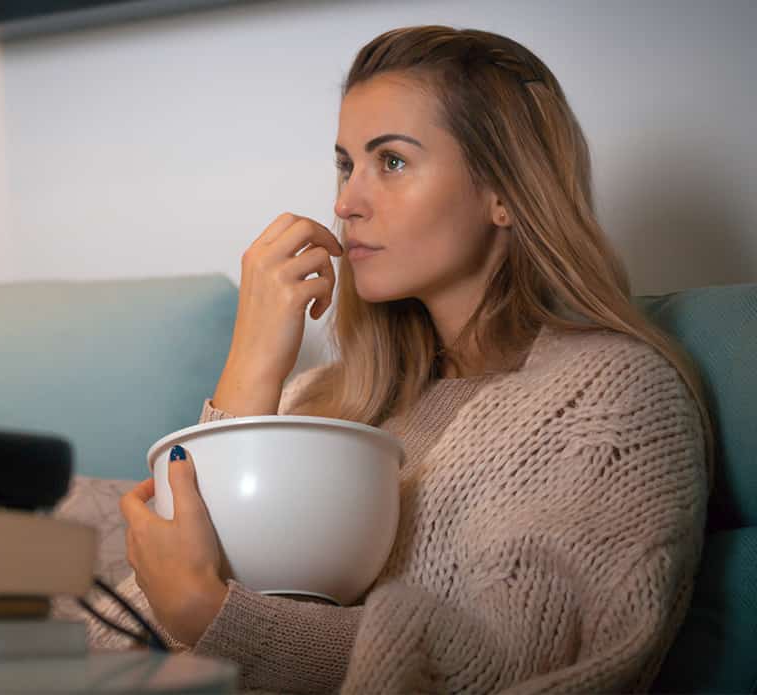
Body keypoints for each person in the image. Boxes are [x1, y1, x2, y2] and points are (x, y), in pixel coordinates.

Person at [64, 25, 712, 694]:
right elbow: (111, 635)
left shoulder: (612, 398)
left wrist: (215, 616)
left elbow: (517, 665)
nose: (346, 202)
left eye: (392, 162)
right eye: (346, 164)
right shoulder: (321, 398)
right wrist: (251, 370)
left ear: (505, 191)